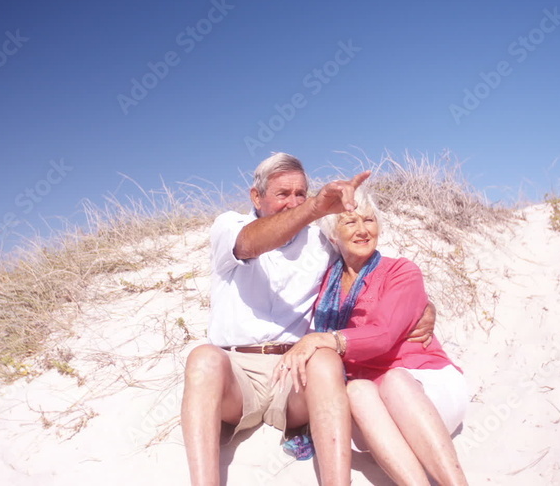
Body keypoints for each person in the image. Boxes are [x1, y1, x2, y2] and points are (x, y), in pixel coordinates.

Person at [181, 153, 436, 486]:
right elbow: (249, 244)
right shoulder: (230, 226)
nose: (293, 202)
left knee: (326, 360)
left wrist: (424, 305)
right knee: (202, 358)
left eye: (300, 193)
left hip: (292, 374)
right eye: (282, 194)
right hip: (236, 376)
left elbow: (366, 270)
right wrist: (314, 207)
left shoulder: (319, 241)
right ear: (256, 197)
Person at [274, 186, 469, 486]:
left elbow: (383, 335)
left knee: (394, 380)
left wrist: (324, 339)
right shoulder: (325, 285)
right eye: (350, 222)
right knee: (357, 392)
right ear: (333, 236)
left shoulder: (401, 271)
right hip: (372, 401)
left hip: (426, 385)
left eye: (370, 221)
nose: (363, 230)